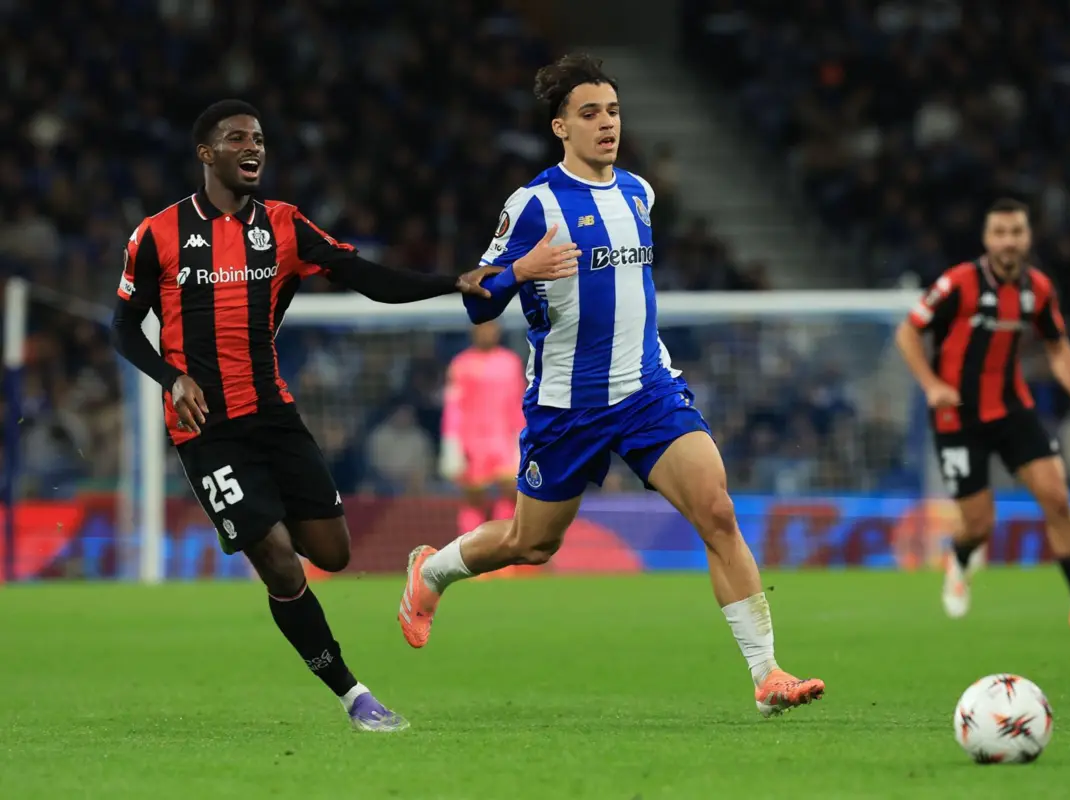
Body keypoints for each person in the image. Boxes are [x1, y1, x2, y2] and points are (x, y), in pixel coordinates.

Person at [399, 54, 825, 717]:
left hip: (648, 390)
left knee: (716, 512)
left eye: (614, 112)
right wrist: (523, 269)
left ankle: (767, 674)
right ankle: (431, 571)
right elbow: (478, 302)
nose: (607, 125)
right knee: (531, 543)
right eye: (591, 114)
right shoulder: (534, 205)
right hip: (568, 404)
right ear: (560, 127)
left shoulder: (639, 193)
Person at [110, 99, 522, 732]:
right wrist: (172, 376)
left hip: (273, 416)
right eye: (237, 138)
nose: (253, 147)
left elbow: (367, 277)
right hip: (205, 429)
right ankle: (354, 695)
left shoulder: (284, 225)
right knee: (277, 559)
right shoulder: (158, 234)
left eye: (259, 138)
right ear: (206, 153)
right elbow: (123, 328)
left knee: (330, 553)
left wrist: (451, 282)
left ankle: (281, 543)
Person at [895, 197, 1070, 638]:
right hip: (957, 417)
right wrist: (932, 385)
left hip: (1012, 408)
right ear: (987, 239)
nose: (1008, 241)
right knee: (980, 524)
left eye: (1016, 232)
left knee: (1057, 499)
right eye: (1000, 233)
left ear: (1027, 237)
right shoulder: (958, 283)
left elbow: (1057, 345)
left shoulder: (1037, 288)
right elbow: (908, 331)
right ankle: (959, 562)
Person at [439, 321, 526, 538]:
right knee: (473, 499)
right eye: (483, 328)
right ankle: (471, 555)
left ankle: (503, 559)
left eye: (492, 328)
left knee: (510, 496)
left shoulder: (510, 362)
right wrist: (451, 444)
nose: (488, 332)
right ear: (474, 331)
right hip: (472, 444)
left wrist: (521, 439)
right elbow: (454, 407)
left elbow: (518, 404)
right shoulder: (461, 364)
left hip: (504, 442)